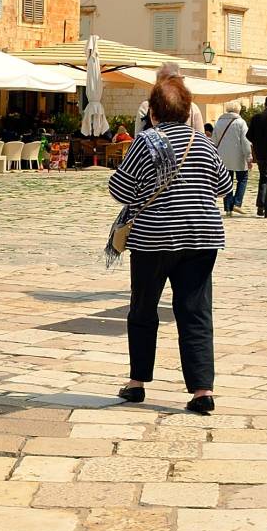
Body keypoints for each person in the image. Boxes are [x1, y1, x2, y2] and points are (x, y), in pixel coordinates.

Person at [109, 74, 232, 416]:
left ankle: (137, 383)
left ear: (153, 112)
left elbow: (119, 189)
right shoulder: (203, 143)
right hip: (202, 236)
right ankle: (202, 390)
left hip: (154, 239)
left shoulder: (146, 142)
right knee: (195, 312)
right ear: (188, 109)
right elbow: (223, 185)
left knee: (143, 308)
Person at [212, 103, 251, 215]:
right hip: (238, 156)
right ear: (238, 110)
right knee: (242, 179)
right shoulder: (241, 123)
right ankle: (237, 203)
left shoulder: (219, 122)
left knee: (227, 181)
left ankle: (228, 207)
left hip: (222, 156)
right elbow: (245, 141)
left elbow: (214, 140)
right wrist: (249, 156)